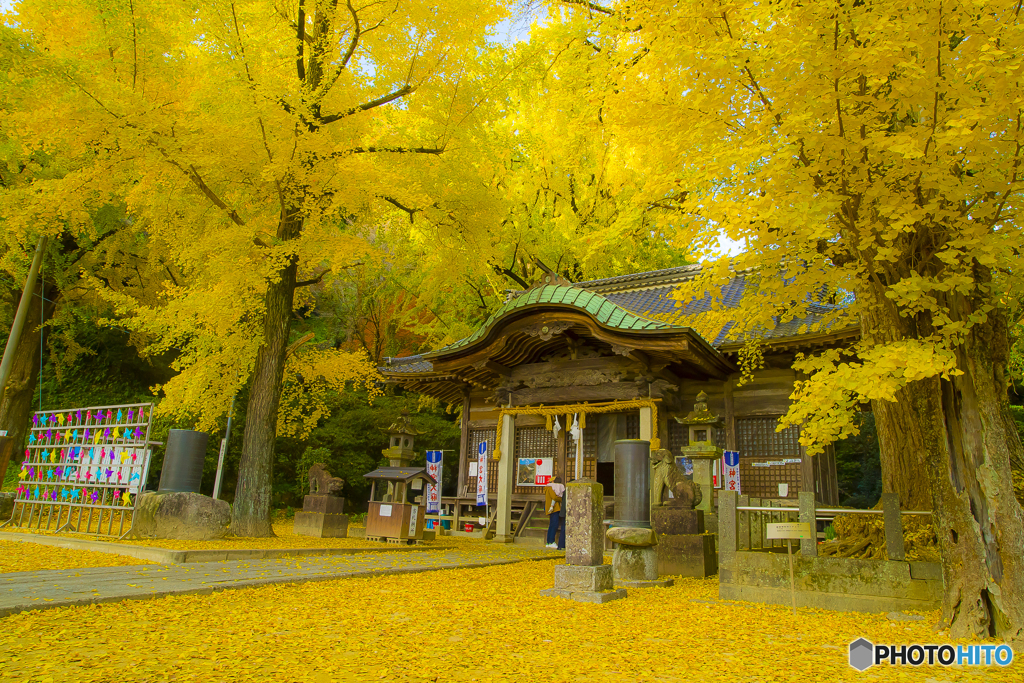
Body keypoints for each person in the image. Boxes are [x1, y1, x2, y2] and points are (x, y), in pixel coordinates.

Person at [545, 476, 565, 549]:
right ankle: (551, 541)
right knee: (554, 524)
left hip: (552, 507)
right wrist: (562, 498)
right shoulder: (551, 488)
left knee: (552, 525)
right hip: (554, 508)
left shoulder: (549, 487)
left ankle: (549, 541)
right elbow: (555, 497)